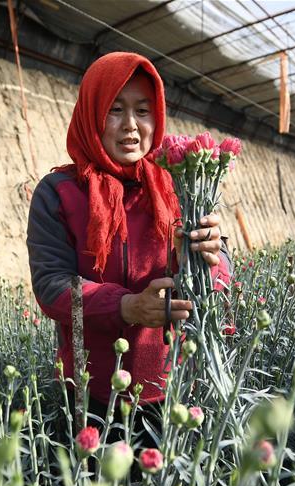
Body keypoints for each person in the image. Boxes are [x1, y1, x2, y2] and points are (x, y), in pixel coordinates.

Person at [26, 52, 231, 442]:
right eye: (115, 109)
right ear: (92, 113)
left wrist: (213, 256)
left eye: (143, 110)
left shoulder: (179, 184)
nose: (131, 126)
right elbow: (52, 285)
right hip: (91, 389)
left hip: (173, 384)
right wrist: (127, 306)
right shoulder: (60, 193)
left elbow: (221, 271)